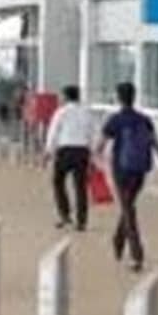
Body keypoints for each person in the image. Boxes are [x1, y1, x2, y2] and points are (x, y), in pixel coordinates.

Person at [97, 81, 158, 272]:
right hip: (140, 171)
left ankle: (136, 255)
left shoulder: (115, 120)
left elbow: (99, 147)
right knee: (128, 207)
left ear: (118, 97)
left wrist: (99, 165)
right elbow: (157, 146)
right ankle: (118, 241)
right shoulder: (145, 120)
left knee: (128, 210)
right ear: (134, 96)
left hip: (121, 170)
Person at [44, 84, 98, 231]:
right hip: (82, 151)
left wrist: (48, 151)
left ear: (66, 97)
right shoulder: (86, 112)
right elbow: (93, 133)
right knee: (80, 186)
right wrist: (93, 155)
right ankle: (81, 221)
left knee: (58, 181)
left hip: (65, 150)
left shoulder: (61, 112)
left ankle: (65, 215)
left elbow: (53, 132)